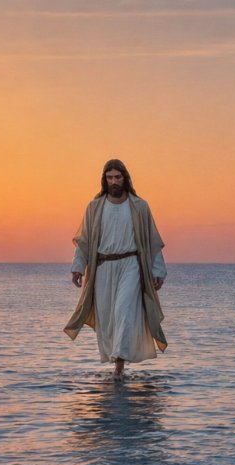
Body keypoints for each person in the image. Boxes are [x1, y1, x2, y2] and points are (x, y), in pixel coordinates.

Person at [64, 158, 168, 379]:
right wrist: (77, 267)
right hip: (102, 268)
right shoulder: (94, 207)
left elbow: (152, 240)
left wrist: (158, 270)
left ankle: (118, 368)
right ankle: (116, 362)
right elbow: (84, 241)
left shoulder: (139, 206)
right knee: (109, 319)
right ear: (104, 180)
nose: (114, 181)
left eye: (117, 177)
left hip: (130, 265)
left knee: (123, 312)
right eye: (109, 178)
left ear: (125, 178)